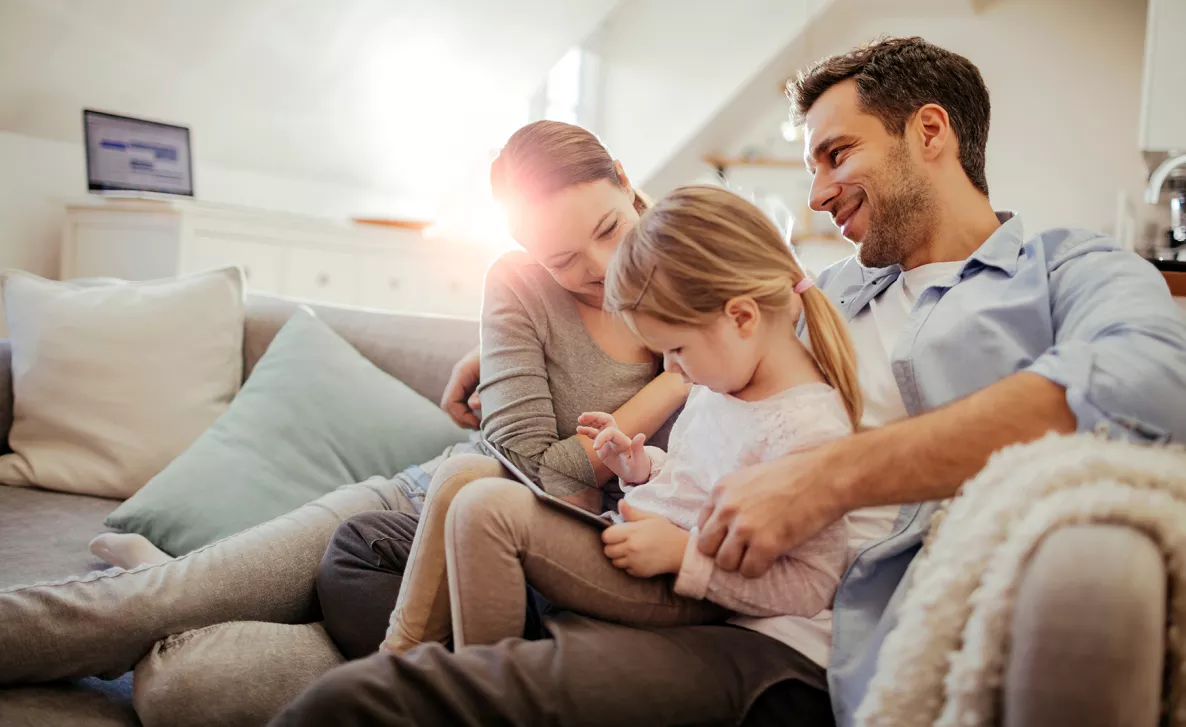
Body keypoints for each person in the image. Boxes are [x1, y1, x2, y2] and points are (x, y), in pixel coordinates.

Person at [272, 36, 1186, 727]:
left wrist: (831, 478)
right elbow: (698, 345)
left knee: (366, 698)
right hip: (665, 522)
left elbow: (1148, 381)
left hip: (783, 616)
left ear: (931, 133)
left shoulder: (1064, 270)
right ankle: (527, 630)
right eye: (812, 167)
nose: (819, 194)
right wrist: (513, 346)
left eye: (836, 154)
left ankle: (521, 648)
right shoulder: (824, 291)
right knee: (362, 550)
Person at [0, 121, 691, 694]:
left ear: (627, 181)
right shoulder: (521, 284)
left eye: (607, 228)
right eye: (563, 258)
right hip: (411, 513)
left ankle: (175, 578)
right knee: (153, 604)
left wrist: (678, 370)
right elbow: (532, 470)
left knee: (193, 693)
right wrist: (671, 384)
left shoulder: (703, 280)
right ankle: (172, 582)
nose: (599, 269)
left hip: (528, 587)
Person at [394, 185, 859, 655]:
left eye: (677, 349)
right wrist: (641, 468)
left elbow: (811, 585)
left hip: (685, 587)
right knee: (460, 499)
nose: (671, 370)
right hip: (637, 541)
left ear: (741, 318)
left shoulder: (807, 429)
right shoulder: (720, 386)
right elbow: (695, 479)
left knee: (486, 510)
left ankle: (470, 689)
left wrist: (685, 556)